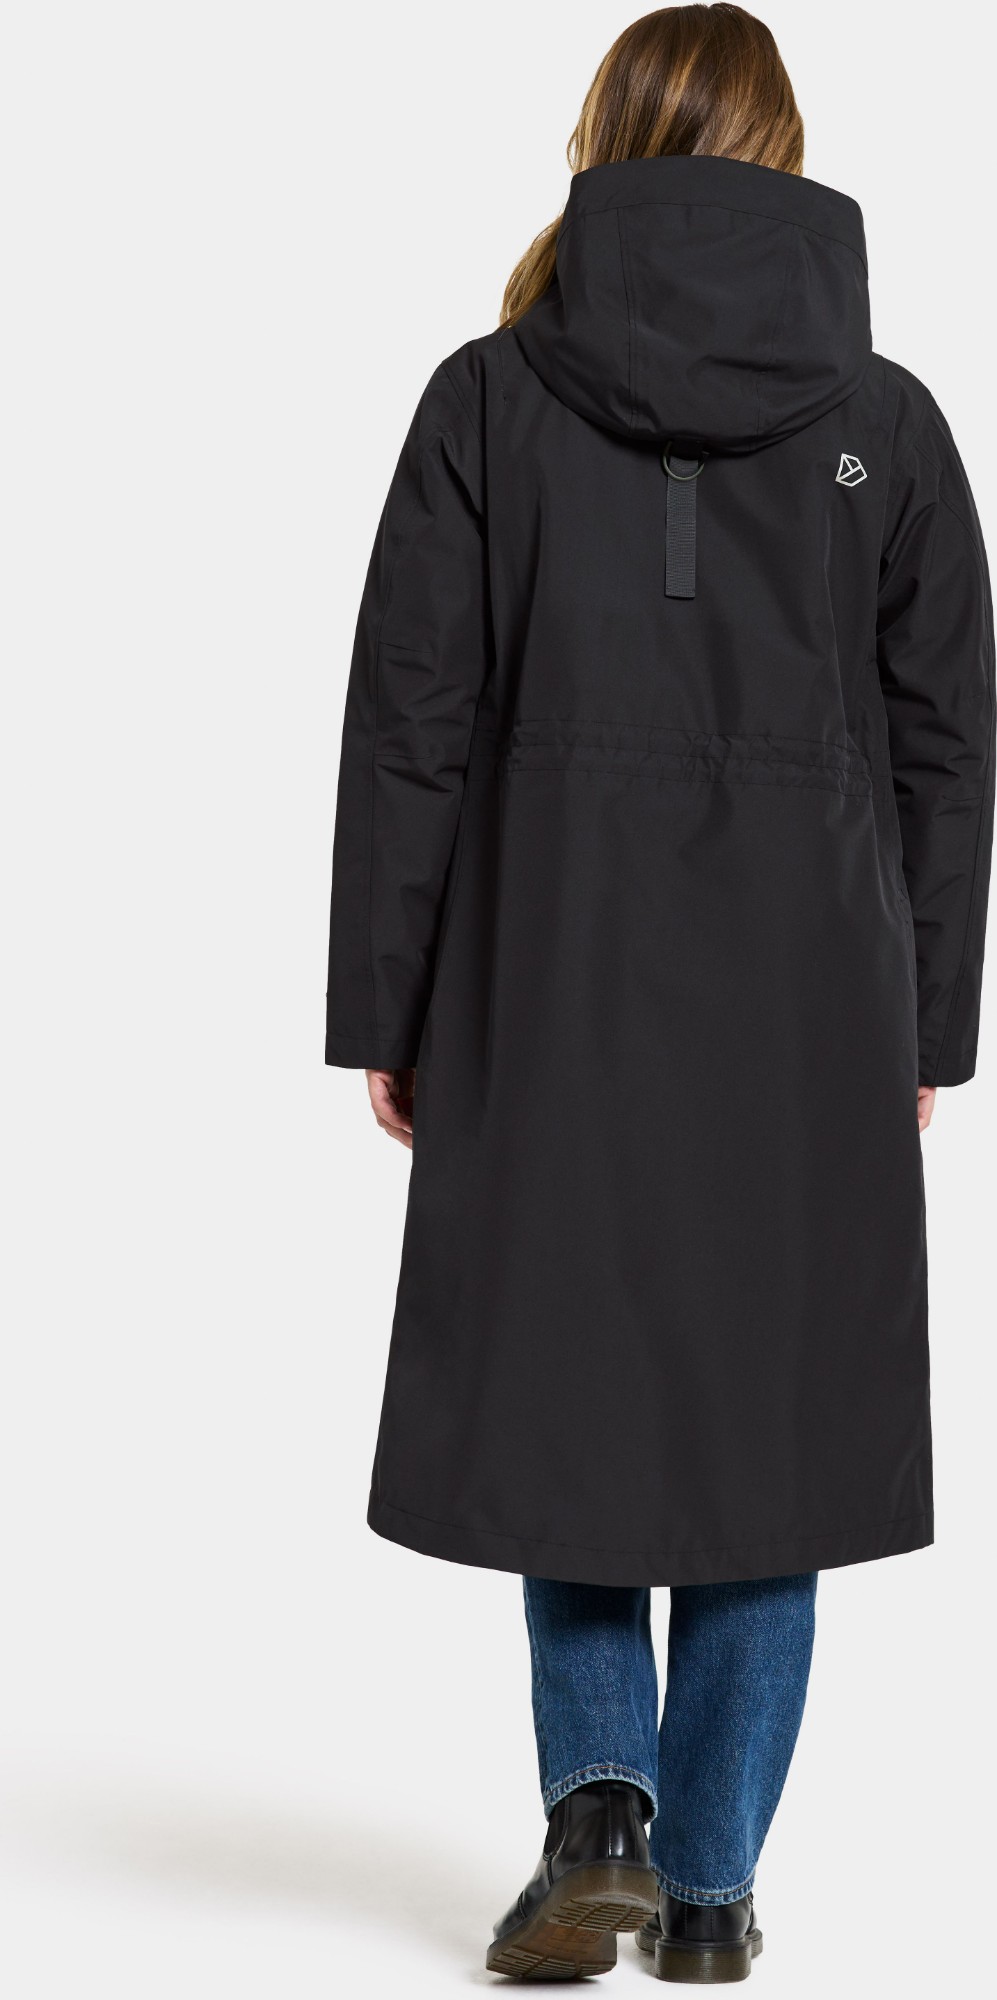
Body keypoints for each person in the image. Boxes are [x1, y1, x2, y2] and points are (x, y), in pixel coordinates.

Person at [325, 4, 994, 1982]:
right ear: (779, 151)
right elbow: (950, 744)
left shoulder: (488, 399)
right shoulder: (887, 418)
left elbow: (410, 721)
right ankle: (706, 1899)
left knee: (570, 1390)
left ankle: (599, 1805)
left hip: (549, 971)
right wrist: (925, 1022)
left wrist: (393, 1005)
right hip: (811, 999)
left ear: (601, 136)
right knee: (772, 1434)